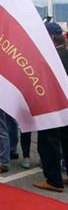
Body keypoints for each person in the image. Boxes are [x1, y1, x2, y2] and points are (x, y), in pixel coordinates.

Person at [33, 22, 68, 193]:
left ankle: (54, 180)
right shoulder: (65, 54)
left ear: (51, 37)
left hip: (52, 108)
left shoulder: (52, 59)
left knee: (48, 144)